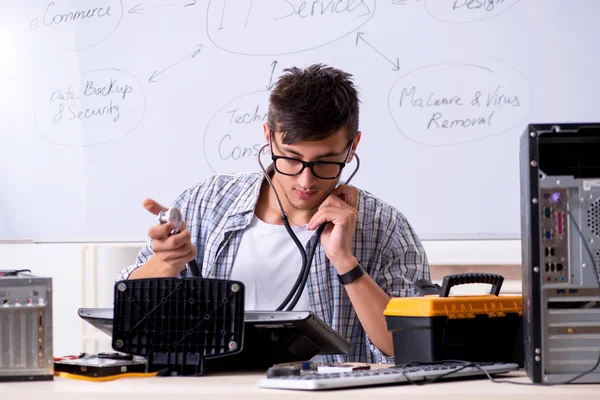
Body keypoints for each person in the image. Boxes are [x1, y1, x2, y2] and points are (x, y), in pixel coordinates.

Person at [118, 64, 430, 364]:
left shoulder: (385, 228)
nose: (305, 181)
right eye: (292, 159)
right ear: (268, 137)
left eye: (326, 162)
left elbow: (412, 349)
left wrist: (346, 263)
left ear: (353, 146)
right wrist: (164, 263)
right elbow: (126, 314)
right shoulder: (206, 204)